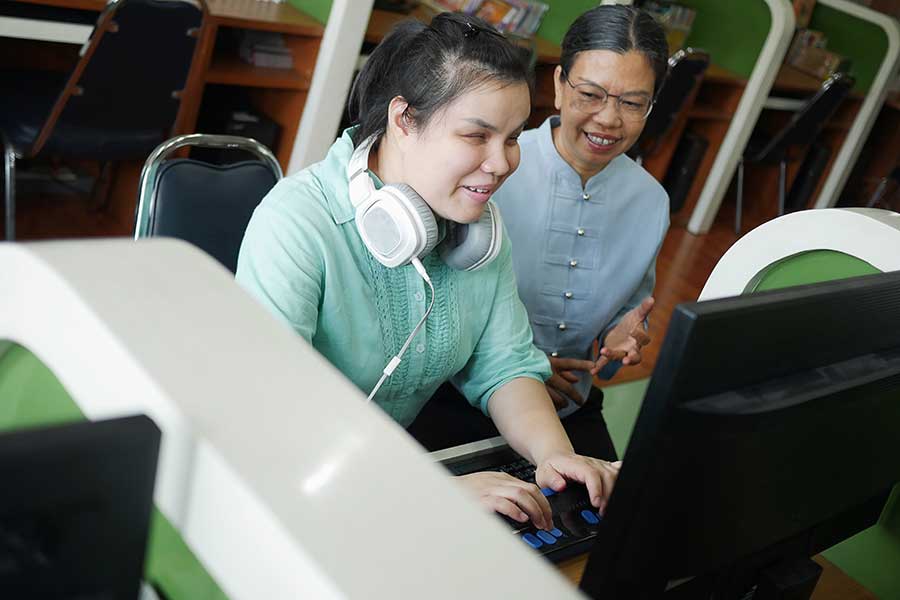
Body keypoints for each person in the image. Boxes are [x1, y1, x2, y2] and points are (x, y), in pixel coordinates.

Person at [235, 13, 620, 531]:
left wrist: (554, 454)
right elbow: (269, 414)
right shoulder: (297, 224)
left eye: (512, 138)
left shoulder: (476, 229)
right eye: (476, 135)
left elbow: (504, 365)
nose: (502, 162)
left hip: (386, 481)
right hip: (286, 483)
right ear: (404, 119)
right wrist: (430, 488)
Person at [409, 5, 670, 461]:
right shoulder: (490, 168)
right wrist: (518, 370)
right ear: (558, 84)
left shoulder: (652, 203)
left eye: (632, 103)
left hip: (570, 402)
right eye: (590, 94)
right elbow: (425, 302)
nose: (609, 119)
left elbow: (631, 309)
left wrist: (623, 336)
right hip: (458, 392)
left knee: (605, 514)